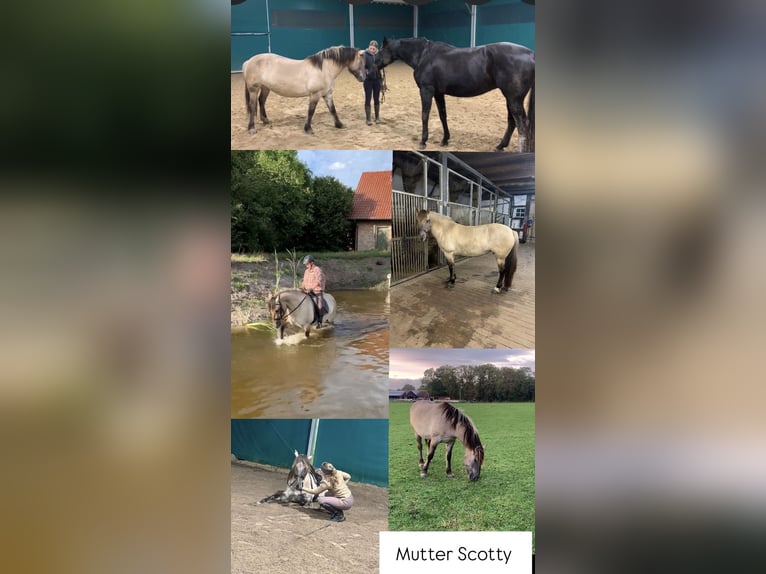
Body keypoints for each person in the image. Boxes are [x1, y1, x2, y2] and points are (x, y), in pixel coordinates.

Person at [301, 254, 326, 328]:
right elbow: (304, 281)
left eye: (307, 264)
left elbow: (318, 281)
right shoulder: (306, 271)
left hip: (316, 291)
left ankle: (319, 321)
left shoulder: (317, 270)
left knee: (319, 306)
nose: (306, 265)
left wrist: (311, 288)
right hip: (307, 291)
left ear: (311, 263)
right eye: (305, 264)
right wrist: (302, 288)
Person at [363, 40, 382, 126]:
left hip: (377, 79)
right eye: (371, 48)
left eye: (373, 48)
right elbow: (362, 67)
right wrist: (367, 72)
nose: (372, 50)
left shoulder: (379, 55)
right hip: (368, 80)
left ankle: (377, 117)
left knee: (376, 98)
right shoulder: (364, 55)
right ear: (369, 47)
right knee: (368, 98)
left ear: (376, 49)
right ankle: (368, 119)